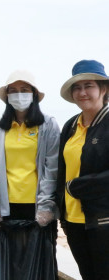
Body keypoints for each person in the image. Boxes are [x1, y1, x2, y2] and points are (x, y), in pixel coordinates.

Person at [0, 70, 60, 279]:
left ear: (34, 94)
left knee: (38, 267)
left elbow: (51, 168)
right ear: (7, 97)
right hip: (8, 206)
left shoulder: (47, 125)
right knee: (9, 266)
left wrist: (46, 207)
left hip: (37, 206)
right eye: (13, 91)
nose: (19, 95)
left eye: (24, 90)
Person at [57, 60, 109, 280]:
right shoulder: (70, 125)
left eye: (88, 85)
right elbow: (61, 169)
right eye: (76, 87)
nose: (82, 92)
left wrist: (77, 186)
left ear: (103, 89)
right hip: (73, 221)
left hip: (103, 221)